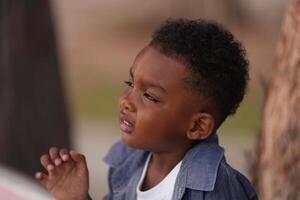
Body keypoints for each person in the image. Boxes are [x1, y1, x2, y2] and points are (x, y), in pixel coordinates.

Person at [35, 18, 258, 200]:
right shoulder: (129, 162)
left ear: (197, 126)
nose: (126, 101)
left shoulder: (216, 190)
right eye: (130, 84)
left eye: (149, 96)